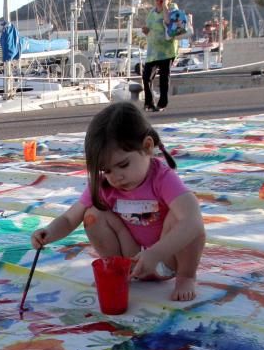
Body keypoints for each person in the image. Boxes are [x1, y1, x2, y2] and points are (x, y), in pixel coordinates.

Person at [30, 102, 205, 301]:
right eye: (107, 170)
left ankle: (186, 276)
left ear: (147, 147)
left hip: (167, 258)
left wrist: (156, 253)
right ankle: (118, 270)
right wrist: (49, 233)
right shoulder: (105, 184)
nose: (116, 177)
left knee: (183, 214)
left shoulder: (162, 178)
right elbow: (71, 218)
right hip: (133, 260)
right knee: (93, 214)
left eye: (123, 165)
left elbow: (194, 224)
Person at [140, 0, 179, 112]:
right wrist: (146, 31)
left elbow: (169, 23)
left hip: (167, 50)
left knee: (163, 78)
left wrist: (166, 5)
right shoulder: (152, 13)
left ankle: (162, 103)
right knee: (146, 77)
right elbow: (150, 29)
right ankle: (149, 103)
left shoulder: (173, 8)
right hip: (153, 52)